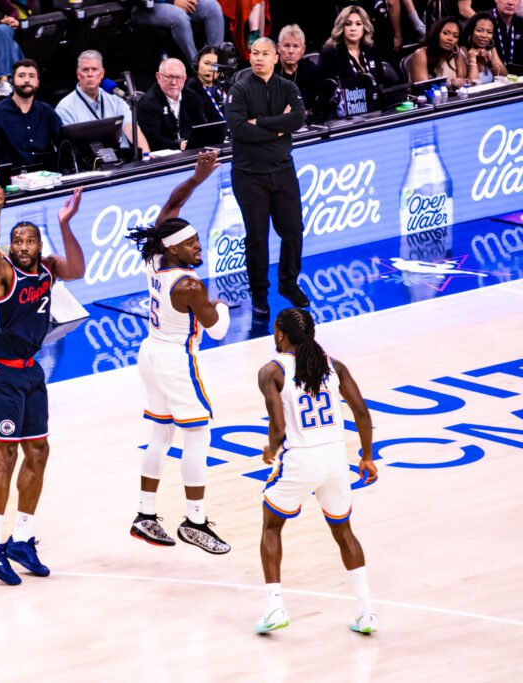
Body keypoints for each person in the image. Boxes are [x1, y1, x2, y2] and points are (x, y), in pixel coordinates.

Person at [0, 184, 85, 585]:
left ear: (38, 246)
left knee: (38, 451)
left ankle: (21, 537)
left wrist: (64, 224)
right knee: (5, 457)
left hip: (31, 370)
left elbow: (78, 269)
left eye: (29, 240)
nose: (22, 246)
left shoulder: (49, 269)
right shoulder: (2, 276)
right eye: (16, 241)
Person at [126, 150, 232, 554]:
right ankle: (195, 521)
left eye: (197, 240)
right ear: (173, 250)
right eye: (190, 245)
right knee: (198, 435)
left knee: (160, 435)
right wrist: (219, 304)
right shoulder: (190, 286)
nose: (198, 248)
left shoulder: (154, 258)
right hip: (175, 360)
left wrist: (196, 179)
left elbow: (172, 208)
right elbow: (219, 331)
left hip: (150, 353)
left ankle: (145, 515)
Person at [254, 307, 378, 635]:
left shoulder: (272, 370)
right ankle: (366, 612)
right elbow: (361, 412)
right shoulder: (334, 366)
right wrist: (366, 456)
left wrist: (271, 450)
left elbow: (278, 426)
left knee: (271, 525)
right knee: (344, 532)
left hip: (300, 458)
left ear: (280, 333)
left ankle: (275, 606)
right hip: (336, 457)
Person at [224, 37, 308, 318]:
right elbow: (239, 130)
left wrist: (260, 122)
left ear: (275, 57)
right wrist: (278, 129)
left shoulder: (288, 87)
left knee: (293, 230)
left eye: (265, 53)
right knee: (257, 238)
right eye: (255, 53)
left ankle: (288, 284)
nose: (259, 58)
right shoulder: (239, 89)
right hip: (249, 176)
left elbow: (297, 119)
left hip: (283, 170)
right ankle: (259, 294)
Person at [55, 51, 150, 155]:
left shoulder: (115, 98)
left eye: (94, 69)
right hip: (89, 165)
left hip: (122, 161)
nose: (90, 74)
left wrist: (146, 156)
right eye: (85, 70)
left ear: (102, 74)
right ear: (78, 74)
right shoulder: (64, 108)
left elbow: (132, 129)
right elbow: (70, 149)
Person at [0, 59, 63, 170]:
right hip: (12, 181)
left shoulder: (46, 111)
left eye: (31, 76)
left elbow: (63, 142)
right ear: (12, 81)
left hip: (47, 176)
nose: (27, 80)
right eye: (21, 76)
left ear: (38, 82)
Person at [319, 5, 390, 107]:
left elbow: (380, 80)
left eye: (358, 24)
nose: (353, 28)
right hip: (345, 112)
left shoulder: (371, 49)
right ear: (342, 27)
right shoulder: (330, 53)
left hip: (375, 106)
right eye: (348, 24)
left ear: (364, 27)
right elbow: (325, 91)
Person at [131, 0, 225, 67]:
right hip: (145, 7)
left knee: (213, 7)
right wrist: (173, 1)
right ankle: (197, 67)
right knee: (180, 17)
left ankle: (214, 63)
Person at [137, 58, 193, 152]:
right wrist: (179, 145)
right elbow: (152, 139)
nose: (173, 82)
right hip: (163, 157)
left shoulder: (192, 96)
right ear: (158, 77)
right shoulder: (148, 103)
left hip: (191, 151)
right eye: (169, 77)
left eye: (178, 77)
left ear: (184, 78)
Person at [408, 16, 468, 88]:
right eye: (445, 33)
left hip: (454, 97)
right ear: (436, 33)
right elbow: (423, 88)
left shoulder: (456, 54)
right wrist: (450, 83)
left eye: (455, 36)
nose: (450, 38)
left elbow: (462, 83)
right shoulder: (421, 54)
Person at [275, 25, 320, 112]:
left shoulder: (309, 68)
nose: (291, 51)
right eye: (286, 46)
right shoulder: (269, 73)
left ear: (303, 49)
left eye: (295, 46)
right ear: (278, 48)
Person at [182, 46, 228, 127]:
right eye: (207, 63)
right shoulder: (189, 89)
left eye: (215, 65)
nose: (211, 69)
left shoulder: (224, 85)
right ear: (197, 64)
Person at [463, 11, 510, 83]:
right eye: (479, 30)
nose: (484, 36)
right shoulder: (461, 52)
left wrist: (491, 56)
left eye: (489, 32)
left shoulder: (490, 49)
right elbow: (473, 84)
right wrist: (472, 58)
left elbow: (503, 76)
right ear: (471, 30)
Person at [492, 0, 523, 67]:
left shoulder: (521, 23)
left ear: (520, 3)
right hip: (491, 73)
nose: (510, 3)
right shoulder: (483, 21)